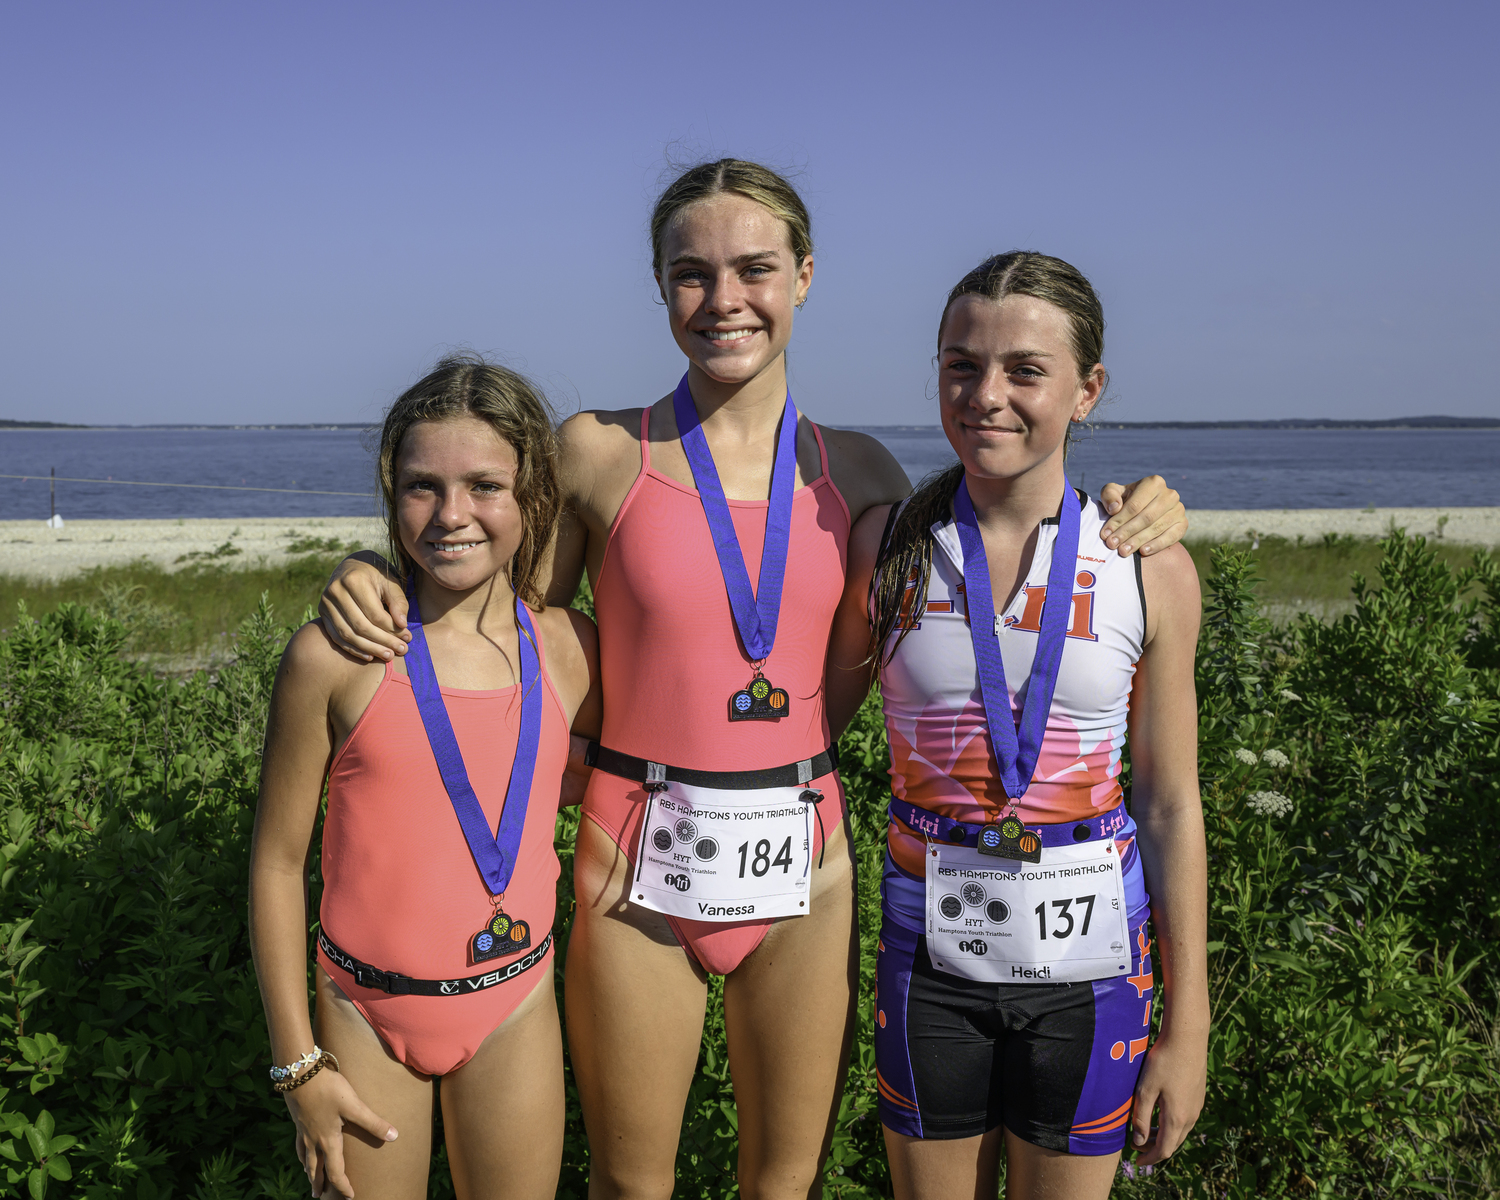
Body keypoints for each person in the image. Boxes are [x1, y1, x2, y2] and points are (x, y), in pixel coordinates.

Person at [314, 162, 1190, 1199]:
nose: (724, 299)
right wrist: (371, 568)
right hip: (636, 857)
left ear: (805, 276)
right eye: (692, 274)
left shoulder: (865, 476)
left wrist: (1145, 511)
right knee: (631, 1187)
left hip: (804, 863)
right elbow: (488, 602)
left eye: (755, 269)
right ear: (660, 286)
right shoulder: (596, 452)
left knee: (787, 1183)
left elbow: (965, 564)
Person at [825, 251, 1208, 1200]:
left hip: (1094, 970)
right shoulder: (889, 549)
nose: (986, 394)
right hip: (930, 957)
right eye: (962, 364)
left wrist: (1188, 1026)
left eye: (1024, 371)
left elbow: (1168, 804)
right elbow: (801, 732)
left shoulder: (1146, 568)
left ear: (1088, 391)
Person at [249, 356, 600, 1200]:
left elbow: (584, 771)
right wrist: (299, 1067)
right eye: (421, 487)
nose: (451, 515)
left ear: (533, 497)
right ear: (389, 488)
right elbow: (273, 863)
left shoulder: (572, 649)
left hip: (513, 1007)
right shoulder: (336, 656)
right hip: (363, 1016)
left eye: (485, 485)